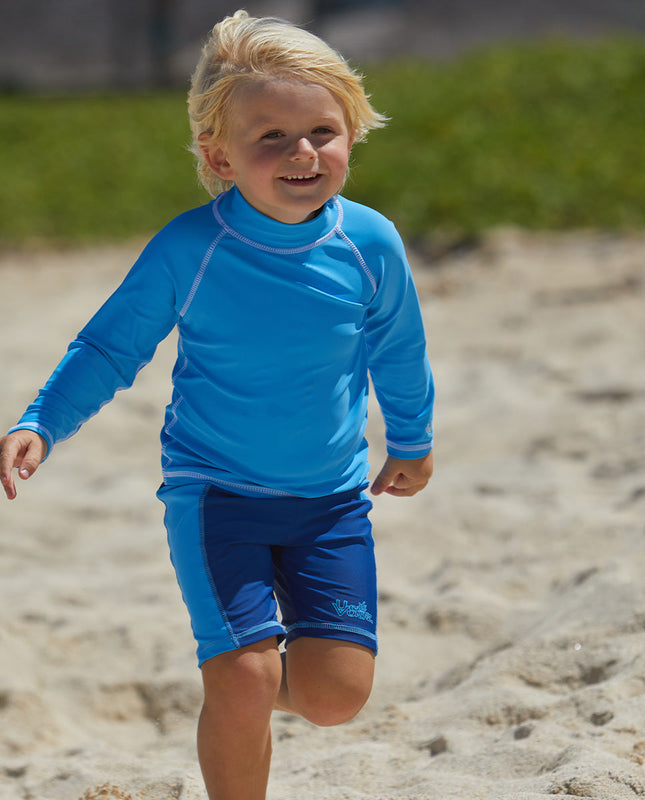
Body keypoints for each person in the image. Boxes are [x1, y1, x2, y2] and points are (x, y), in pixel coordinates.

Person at [0, 11, 434, 800]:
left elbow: (398, 350)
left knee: (336, 696)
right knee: (243, 673)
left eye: (321, 131)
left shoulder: (371, 245)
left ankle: (243, 688)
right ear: (219, 156)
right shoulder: (189, 249)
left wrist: (411, 439)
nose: (301, 152)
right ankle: (237, 695)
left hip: (330, 502)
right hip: (216, 496)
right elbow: (108, 347)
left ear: (350, 134)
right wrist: (41, 422)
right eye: (270, 137)